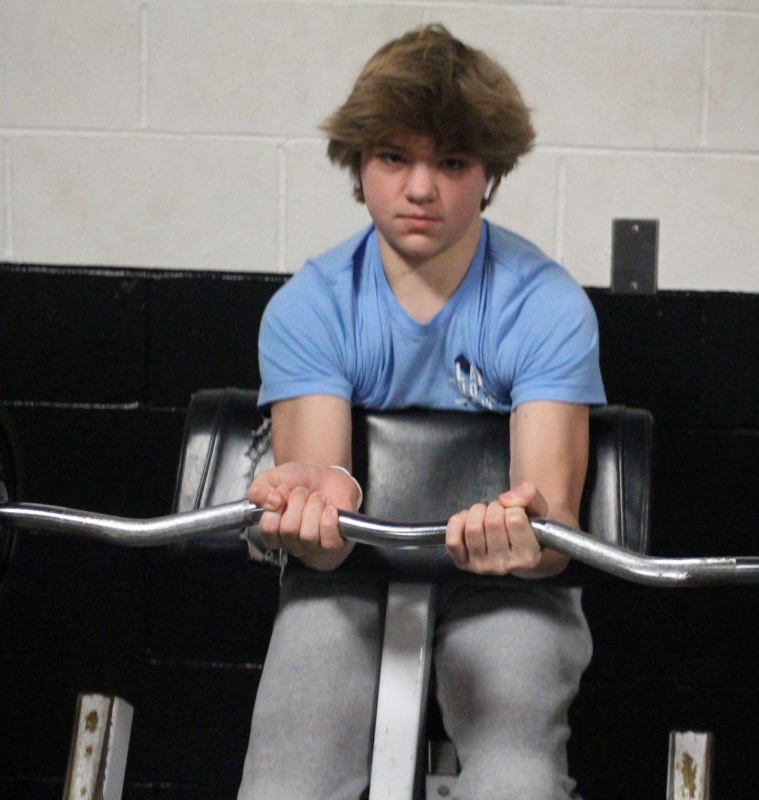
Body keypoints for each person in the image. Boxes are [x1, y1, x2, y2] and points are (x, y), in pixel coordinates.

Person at [239, 24, 605, 800]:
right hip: (348, 578)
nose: (420, 188)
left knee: (517, 782)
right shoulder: (310, 308)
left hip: (508, 588)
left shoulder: (545, 306)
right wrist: (313, 514)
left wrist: (525, 534)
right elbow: (321, 524)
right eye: (394, 157)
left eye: (452, 161)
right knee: (285, 784)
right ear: (359, 164)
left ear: (489, 175)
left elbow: (552, 526)